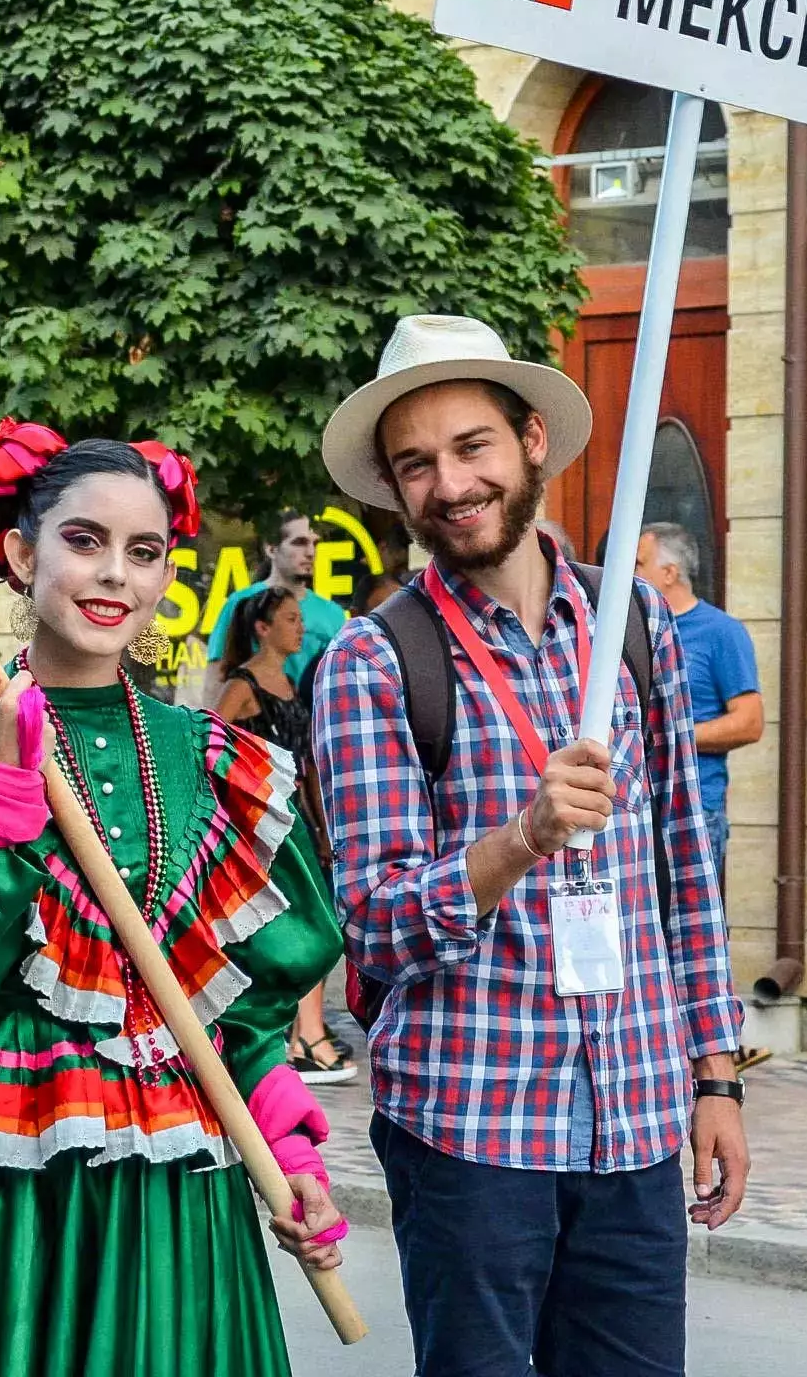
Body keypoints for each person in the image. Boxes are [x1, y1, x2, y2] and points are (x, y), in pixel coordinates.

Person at [0, 418, 347, 1377]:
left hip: (177, 1171)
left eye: (144, 552)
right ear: (18, 553)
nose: (114, 577)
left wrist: (291, 1160)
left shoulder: (222, 766)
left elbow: (248, 1016)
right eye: (83, 542)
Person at [312, 314, 748, 1377]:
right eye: (415, 464)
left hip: (638, 1119)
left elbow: (684, 872)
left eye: (471, 448)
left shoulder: (634, 621)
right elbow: (371, 923)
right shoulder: (376, 661)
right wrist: (521, 839)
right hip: (471, 1133)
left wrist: (719, 1077)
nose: (449, 485)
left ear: (532, 444)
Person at [214, 589, 355, 1084]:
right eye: (291, 619)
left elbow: (307, 764)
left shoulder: (290, 683)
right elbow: (212, 742)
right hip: (261, 821)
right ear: (263, 628)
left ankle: (302, 1036)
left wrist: (321, 821)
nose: (301, 628)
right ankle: (304, 1037)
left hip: (295, 816)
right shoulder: (243, 683)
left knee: (312, 918)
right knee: (295, 922)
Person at [635, 523, 762, 876]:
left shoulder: (721, 632)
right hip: (633, 808)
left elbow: (750, 723)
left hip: (695, 808)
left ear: (669, 573)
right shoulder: (627, 628)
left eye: (639, 564)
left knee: (692, 928)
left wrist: (668, 738)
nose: (629, 574)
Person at [205, 510, 347, 687]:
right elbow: (216, 674)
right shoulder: (241, 602)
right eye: (300, 542)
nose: (311, 552)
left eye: (314, 543)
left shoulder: (333, 614)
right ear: (271, 548)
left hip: (312, 712)